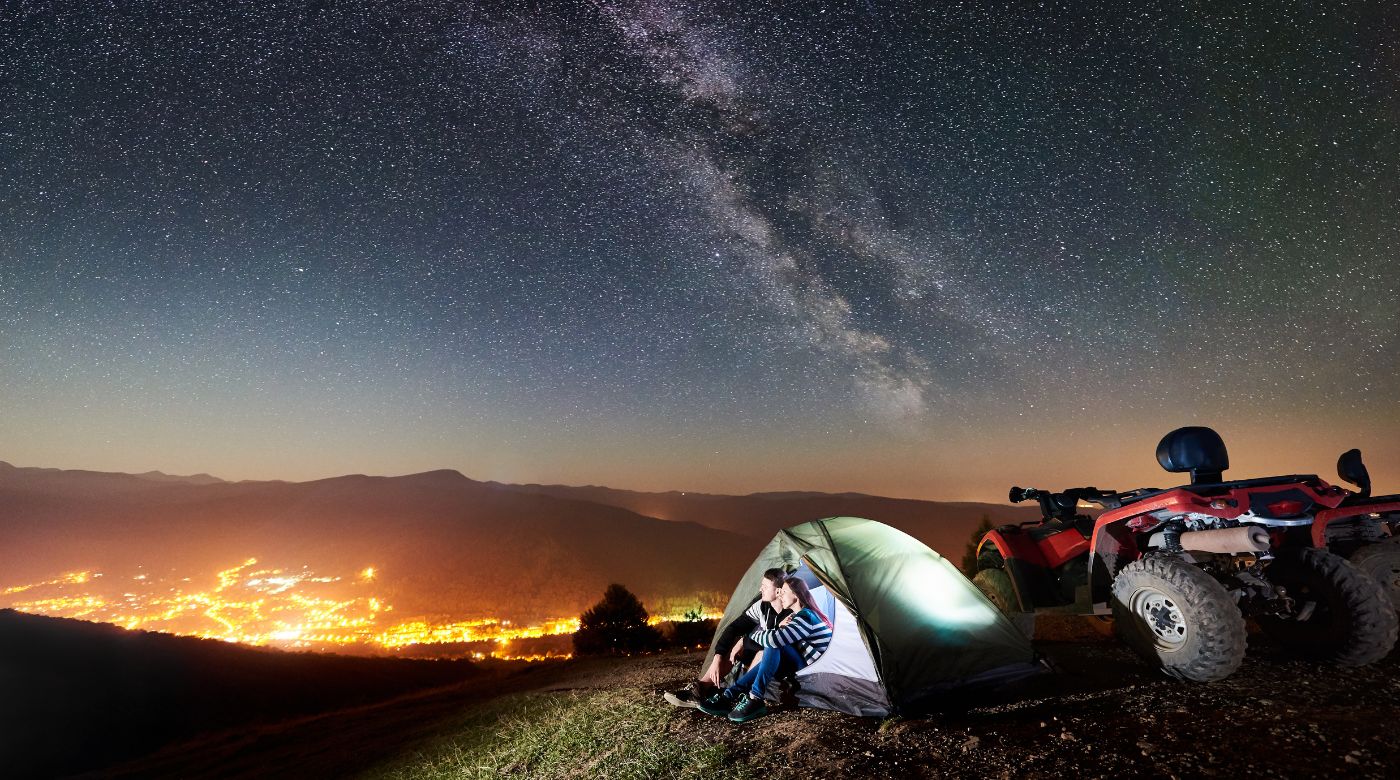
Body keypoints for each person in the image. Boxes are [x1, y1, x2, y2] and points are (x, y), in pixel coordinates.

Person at [697, 576, 833, 723]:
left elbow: (774, 639)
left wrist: (751, 635)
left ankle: (753, 697)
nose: (780, 595)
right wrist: (772, 632)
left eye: (784, 591)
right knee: (774, 646)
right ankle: (729, 696)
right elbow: (776, 637)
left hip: (817, 672)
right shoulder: (797, 616)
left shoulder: (806, 617)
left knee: (773, 644)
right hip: (807, 664)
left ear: (796, 594)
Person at [663, 568, 790, 708]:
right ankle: (701, 688)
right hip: (764, 653)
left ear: (778, 591)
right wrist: (718, 656)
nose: (760, 589)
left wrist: (744, 641)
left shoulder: (790, 611)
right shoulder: (762, 606)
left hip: (782, 658)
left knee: (763, 650)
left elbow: (775, 642)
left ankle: (740, 697)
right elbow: (734, 628)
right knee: (735, 645)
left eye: (765, 587)